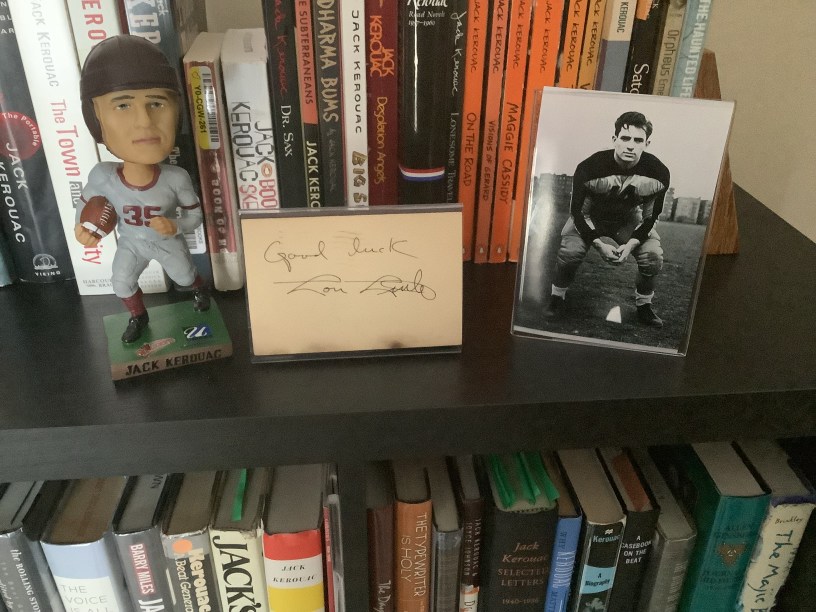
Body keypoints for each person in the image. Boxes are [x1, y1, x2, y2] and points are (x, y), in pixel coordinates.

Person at [75, 35, 209, 343]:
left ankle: (199, 290)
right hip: (132, 241)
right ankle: (138, 316)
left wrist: (175, 225)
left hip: (166, 242)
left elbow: (195, 216)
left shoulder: (175, 178)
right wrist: (82, 227)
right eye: (123, 105)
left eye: (156, 103)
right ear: (95, 117)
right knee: (121, 281)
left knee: (184, 275)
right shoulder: (103, 176)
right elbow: (85, 203)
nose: (144, 121)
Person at [545, 111, 670, 327]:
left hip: (627, 219)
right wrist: (599, 245)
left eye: (638, 140)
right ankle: (557, 297)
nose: (630, 146)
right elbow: (578, 213)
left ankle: (644, 306)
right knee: (570, 252)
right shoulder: (590, 167)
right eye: (625, 138)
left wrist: (631, 245)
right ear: (614, 139)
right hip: (591, 215)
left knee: (652, 256)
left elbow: (650, 218)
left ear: (647, 143)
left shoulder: (658, 172)